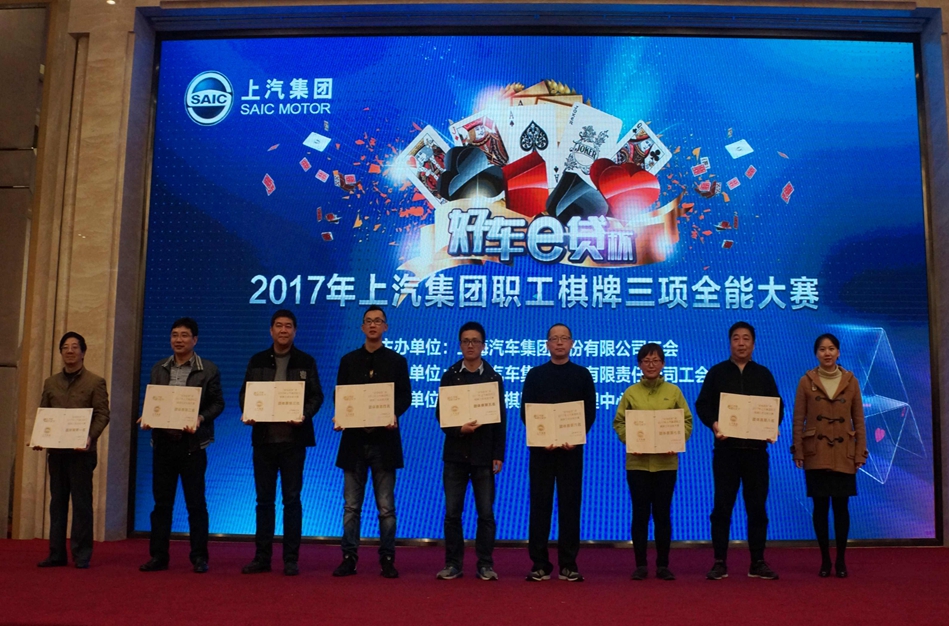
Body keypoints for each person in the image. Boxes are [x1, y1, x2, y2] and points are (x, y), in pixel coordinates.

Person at [695, 321, 782, 581]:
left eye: (746, 338)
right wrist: (714, 424)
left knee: (757, 508)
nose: (741, 343)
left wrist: (772, 427)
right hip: (726, 452)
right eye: (736, 338)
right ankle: (719, 561)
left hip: (756, 453)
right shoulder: (717, 372)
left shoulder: (763, 374)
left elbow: (777, 407)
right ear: (730, 342)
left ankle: (757, 561)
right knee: (722, 507)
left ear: (753, 344)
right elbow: (702, 404)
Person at [239, 309, 323, 576]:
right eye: (278, 325)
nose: (283, 330)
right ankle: (262, 558)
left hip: (293, 442)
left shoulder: (306, 361)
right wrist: (248, 411)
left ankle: (290, 559)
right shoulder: (257, 360)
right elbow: (245, 394)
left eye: (288, 326)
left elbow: (316, 396)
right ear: (271, 330)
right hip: (264, 441)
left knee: (292, 501)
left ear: (295, 331)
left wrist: (304, 414)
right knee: (264, 501)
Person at [138, 317, 225, 574]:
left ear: (195, 340)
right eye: (174, 335)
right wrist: (148, 416)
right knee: (161, 505)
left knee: (196, 504)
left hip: (192, 446)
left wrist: (201, 417)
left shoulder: (208, 369)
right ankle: (158, 556)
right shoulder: (159, 368)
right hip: (163, 444)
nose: (179, 339)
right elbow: (154, 401)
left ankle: (199, 557)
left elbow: (218, 403)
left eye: (184, 335)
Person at [332, 305, 412, 579]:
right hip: (354, 442)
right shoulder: (349, 360)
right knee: (351, 506)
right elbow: (341, 395)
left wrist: (393, 413)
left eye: (378, 321)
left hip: (384, 442)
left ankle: (387, 558)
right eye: (369, 321)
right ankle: (348, 558)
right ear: (362, 327)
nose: (373, 325)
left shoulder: (397, 361)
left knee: (386, 507)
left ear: (385, 327)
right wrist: (341, 415)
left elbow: (405, 396)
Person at [520, 323, 596, 582]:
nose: (560, 342)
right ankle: (539, 564)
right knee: (539, 506)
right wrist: (542, 438)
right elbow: (526, 412)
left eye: (564, 338)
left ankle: (568, 564)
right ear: (547, 344)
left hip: (570, 452)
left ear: (572, 343)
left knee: (570, 506)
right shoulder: (535, 375)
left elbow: (589, 412)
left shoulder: (582, 375)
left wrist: (575, 436)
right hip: (541, 452)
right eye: (555, 338)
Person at [613, 343, 693, 581]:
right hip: (637, 463)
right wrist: (631, 440)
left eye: (655, 360)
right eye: (646, 361)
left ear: (663, 364)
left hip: (666, 463)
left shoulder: (674, 392)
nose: (651, 365)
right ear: (639, 364)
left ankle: (663, 565)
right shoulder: (631, 392)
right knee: (640, 514)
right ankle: (640, 564)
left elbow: (687, 421)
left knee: (662, 514)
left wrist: (676, 440)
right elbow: (619, 422)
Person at [434, 322, 506, 581]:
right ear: (460, 345)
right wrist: (459, 429)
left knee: (485, 513)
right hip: (455, 455)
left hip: (484, 456)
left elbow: (500, 420)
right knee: (453, 513)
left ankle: (485, 564)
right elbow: (441, 414)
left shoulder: (493, 378)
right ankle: (453, 564)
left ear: (483, 345)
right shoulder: (450, 375)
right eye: (466, 341)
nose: (470, 345)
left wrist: (498, 454)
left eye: (475, 341)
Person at [792, 333, 867, 578]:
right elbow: (798, 419)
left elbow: (859, 420)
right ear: (816, 353)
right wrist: (798, 450)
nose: (827, 353)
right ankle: (825, 560)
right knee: (820, 506)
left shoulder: (851, 381)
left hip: (844, 452)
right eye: (822, 349)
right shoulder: (806, 381)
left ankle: (841, 560)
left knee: (842, 507)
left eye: (832, 348)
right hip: (817, 452)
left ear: (838, 352)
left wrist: (860, 453)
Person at [35, 332, 110, 569]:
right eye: (65, 347)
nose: (70, 351)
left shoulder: (95, 382)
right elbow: (44, 413)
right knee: (57, 504)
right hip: (56, 452)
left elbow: (103, 414)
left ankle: (82, 554)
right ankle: (56, 553)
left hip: (82, 452)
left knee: (81, 504)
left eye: (75, 347)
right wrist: (40, 437)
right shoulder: (50, 383)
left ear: (83, 352)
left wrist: (90, 436)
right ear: (60, 352)